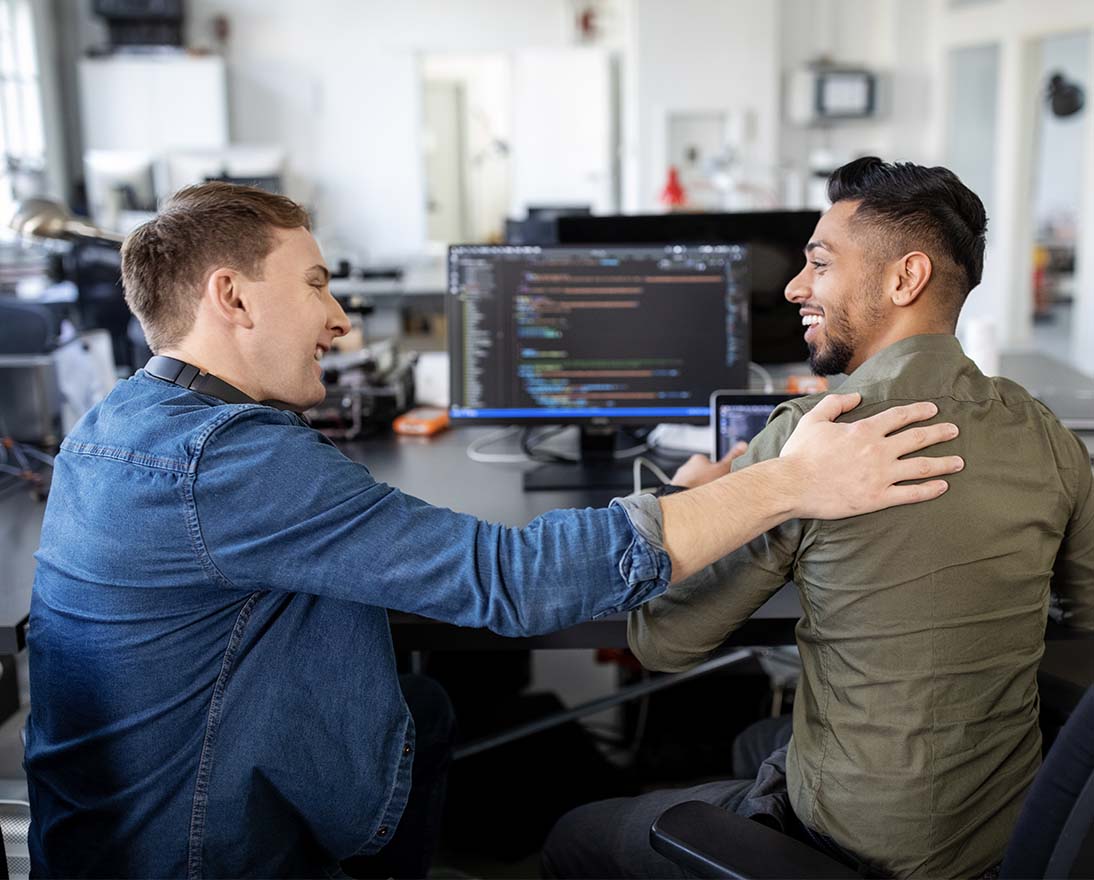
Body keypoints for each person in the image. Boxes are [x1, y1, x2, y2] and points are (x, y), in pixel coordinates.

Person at [24, 182, 963, 879]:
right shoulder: (229, 461)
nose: (340, 319)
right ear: (232, 299)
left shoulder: (127, 421)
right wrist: (788, 482)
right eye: (315, 284)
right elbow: (509, 581)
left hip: (112, 831)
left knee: (425, 710)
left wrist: (688, 498)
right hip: (192, 854)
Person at [542, 157, 1094, 879]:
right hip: (1007, 836)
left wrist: (691, 497)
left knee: (573, 839)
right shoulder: (1049, 435)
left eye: (820, 264)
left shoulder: (815, 434)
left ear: (905, 278)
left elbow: (663, 640)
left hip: (856, 846)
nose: (794, 287)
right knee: (764, 742)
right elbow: (1086, 620)